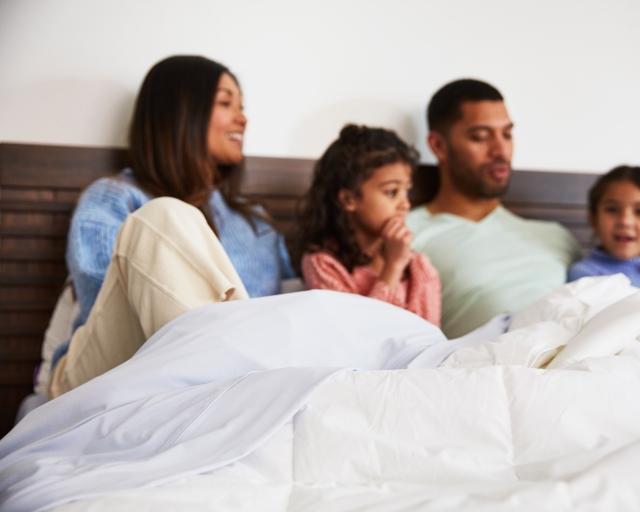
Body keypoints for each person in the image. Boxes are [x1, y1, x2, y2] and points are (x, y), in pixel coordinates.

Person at [47, 55, 294, 398]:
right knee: (164, 217)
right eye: (226, 103)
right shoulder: (115, 198)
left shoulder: (257, 224)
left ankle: (230, 398)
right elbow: (106, 304)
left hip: (234, 376)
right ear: (181, 113)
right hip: (104, 369)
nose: (243, 118)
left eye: (242, 106)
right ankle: (230, 400)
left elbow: (289, 311)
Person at [407, 79, 582, 338]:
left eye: (507, 134)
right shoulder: (406, 234)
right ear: (438, 146)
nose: (500, 150)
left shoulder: (556, 236)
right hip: (479, 370)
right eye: (480, 136)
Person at [295, 124, 441, 325]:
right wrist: (393, 267)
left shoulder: (419, 267)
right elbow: (361, 336)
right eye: (391, 192)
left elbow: (430, 337)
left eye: (407, 191)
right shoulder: (322, 264)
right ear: (348, 199)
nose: (405, 204)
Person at [569, 165, 640, 286]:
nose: (625, 221)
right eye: (612, 209)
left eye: (639, 211)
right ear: (593, 218)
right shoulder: (585, 276)